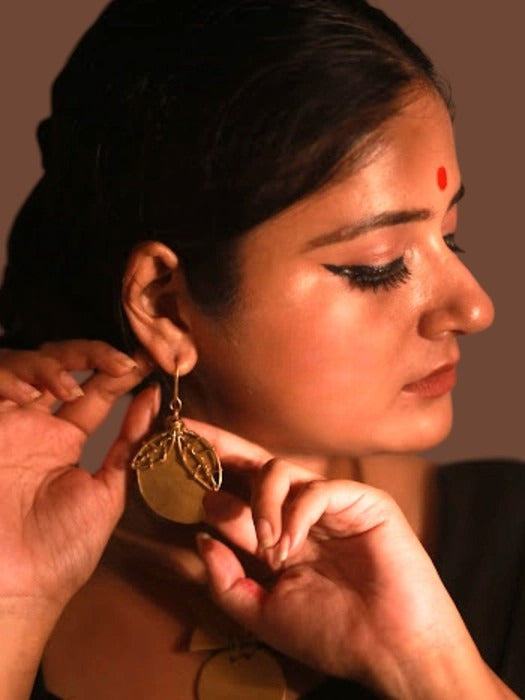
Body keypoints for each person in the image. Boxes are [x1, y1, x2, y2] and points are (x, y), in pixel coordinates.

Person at [0, 1, 523, 698]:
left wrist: (433, 668)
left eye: (449, 236)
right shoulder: (29, 579)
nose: (476, 308)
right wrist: (12, 609)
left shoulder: (514, 538)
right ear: (165, 306)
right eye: (377, 265)